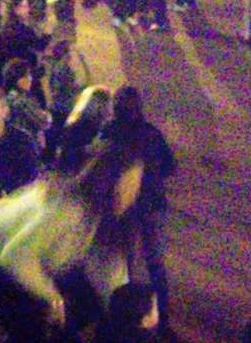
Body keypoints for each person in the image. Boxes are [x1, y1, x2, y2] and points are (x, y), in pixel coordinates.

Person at [0, 140, 144, 341]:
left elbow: (107, 275)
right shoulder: (70, 207)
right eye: (129, 183)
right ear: (111, 180)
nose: (133, 194)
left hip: (23, 263)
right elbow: (15, 257)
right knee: (49, 324)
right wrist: (52, 297)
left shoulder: (98, 215)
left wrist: (130, 314)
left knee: (85, 303)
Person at [100, 86, 176, 330]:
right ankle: (161, 318)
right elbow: (170, 166)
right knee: (155, 262)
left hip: (123, 208)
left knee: (125, 263)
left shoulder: (109, 132)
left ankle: (127, 318)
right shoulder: (151, 133)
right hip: (152, 205)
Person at [56, 85, 113, 173]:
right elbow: (66, 155)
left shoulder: (108, 126)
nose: (109, 107)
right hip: (77, 171)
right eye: (106, 103)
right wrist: (85, 150)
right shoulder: (80, 125)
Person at [3, 57, 51, 150]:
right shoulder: (22, 100)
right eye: (24, 76)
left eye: (29, 75)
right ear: (15, 79)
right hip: (28, 147)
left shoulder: (8, 98)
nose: (29, 79)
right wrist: (48, 115)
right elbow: (44, 121)